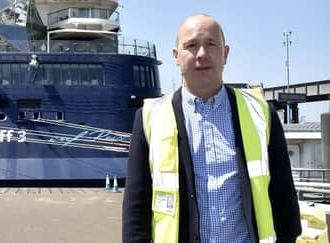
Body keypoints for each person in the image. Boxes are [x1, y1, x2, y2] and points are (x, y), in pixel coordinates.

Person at [122, 13, 301, 243]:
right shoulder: (149, 117)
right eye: (191, 46)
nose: (202, 54)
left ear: (225, 53)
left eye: (211, 44)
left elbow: (284, 195)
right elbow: (136, 207)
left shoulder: (261, 114)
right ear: (176, 56)